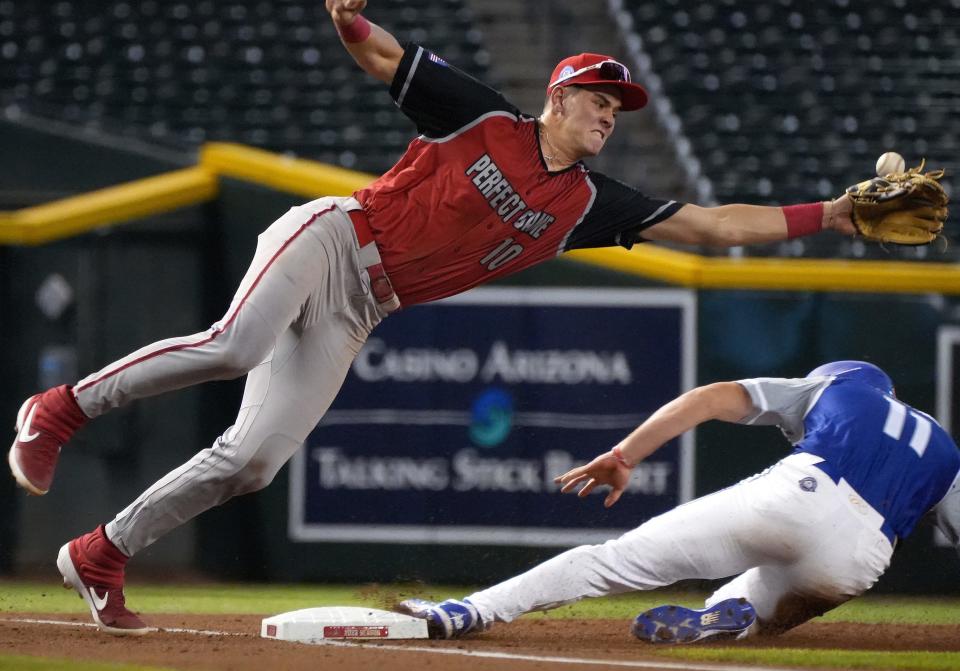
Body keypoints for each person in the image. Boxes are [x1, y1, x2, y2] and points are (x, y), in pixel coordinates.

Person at [9, 0, 856, 635]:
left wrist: (835, 214)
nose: (609, 113)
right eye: (599, 99)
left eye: (617, 106)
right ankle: (60, 408)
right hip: (336, 236)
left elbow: (713, 226)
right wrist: (349, 22)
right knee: (236, 344)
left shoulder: (597, 204)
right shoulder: (485, 116)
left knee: (253, 462)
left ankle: (100, 552)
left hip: (363, 305)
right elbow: (383, 56)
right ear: (558, 99)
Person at [398, 361, 960, 643]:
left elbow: (711, 398)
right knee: (769, 612)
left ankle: (467, 612)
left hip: (802, 491)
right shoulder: (945, 449)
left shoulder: (837, 386)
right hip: (861, 556)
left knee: (611, 562)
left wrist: (626, 454)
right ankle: (733, 616)